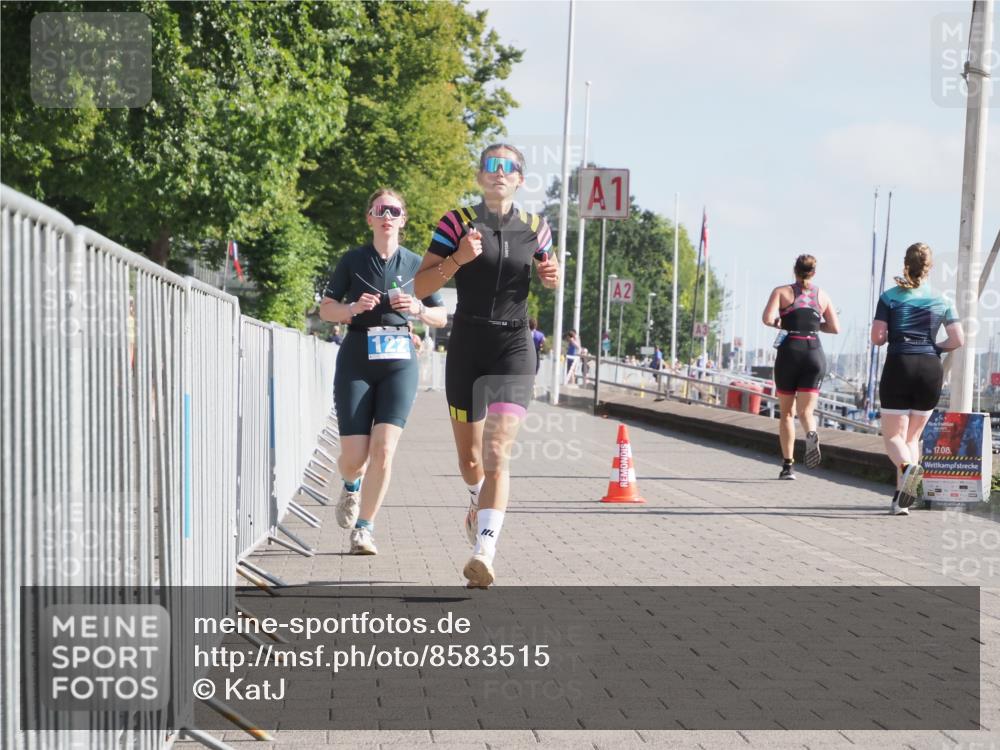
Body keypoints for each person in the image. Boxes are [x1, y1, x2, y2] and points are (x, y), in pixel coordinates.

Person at [414, 143, 559, 588]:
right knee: (471, 460)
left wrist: (552, 277)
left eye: (508, 167)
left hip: (514, 345)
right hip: (468, 344)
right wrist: (458, 258)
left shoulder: (537, 227)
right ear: (480, 176)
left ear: (520, 178)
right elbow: (419, 286)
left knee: (497, 452)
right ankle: (477, 500)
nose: (499, 172)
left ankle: (484, 551)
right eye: (491, 165)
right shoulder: (455, 222)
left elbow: (550, 271)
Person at [320, 189, 447, 554]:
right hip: (357, 357)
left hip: (399, 359)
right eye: (381, 210)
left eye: (394, 210)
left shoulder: (417, 264)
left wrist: (419, 309)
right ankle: (350, 486)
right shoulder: (353, 260)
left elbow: (441, 315)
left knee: (384, 450)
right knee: (354, 460)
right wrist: (352, 309)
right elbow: (326, 309)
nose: (387, 216)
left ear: (403, 219)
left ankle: (364, 529)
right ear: (370, 218)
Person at [871, 242, 963, 515]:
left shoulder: (889, 297)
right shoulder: (943, 300)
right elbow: (958, 339)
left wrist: (893, 334)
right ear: (929, 268)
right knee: (912, 439)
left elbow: (877, 338)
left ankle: (908, 468)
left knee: (893, 437)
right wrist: (935, 348)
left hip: (900, 364)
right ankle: (902, 500)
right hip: (930, 368)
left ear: (905, 264)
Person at [762, 254, 840, 480]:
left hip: (790, 352)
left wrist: (781, 322)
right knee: (806, 412)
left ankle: (788, 466)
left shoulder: (781, 292)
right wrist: (814, 324)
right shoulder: (822, 295)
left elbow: (767, 318)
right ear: (813, 273)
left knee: (787, 413)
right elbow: (834, 328)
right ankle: (811, 432)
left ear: (794, 270)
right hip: (814, 352)